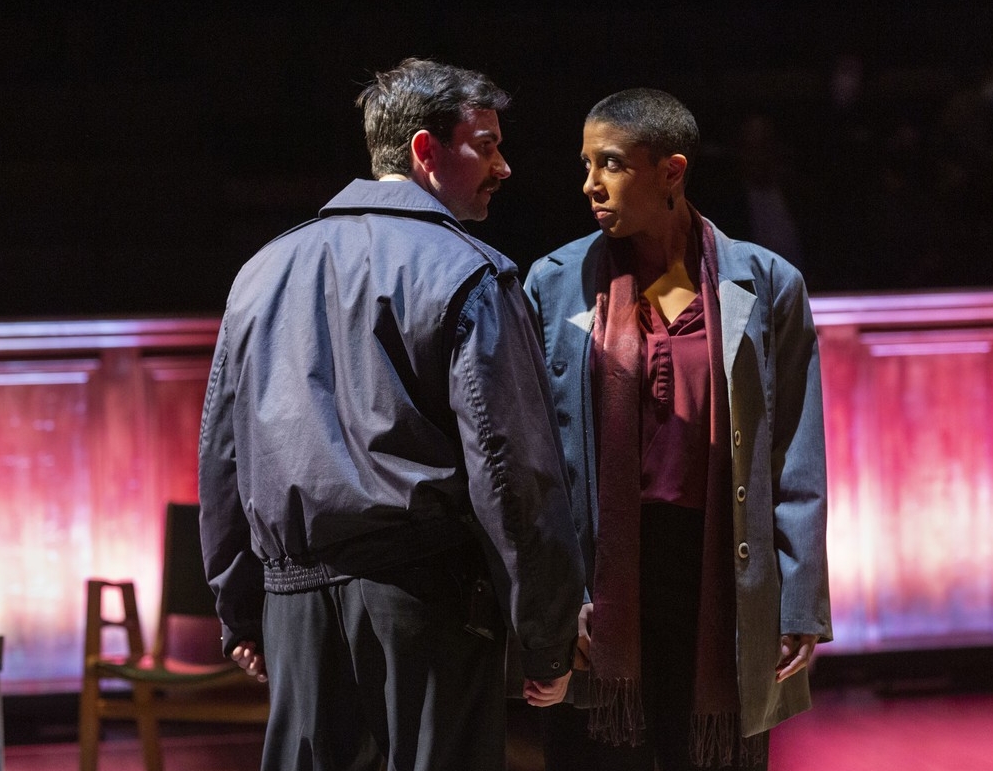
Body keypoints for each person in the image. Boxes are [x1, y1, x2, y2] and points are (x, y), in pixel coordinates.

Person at [198, 58, 585, 771]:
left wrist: (240, 608)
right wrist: (546, 634)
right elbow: (512, 473)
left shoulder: (259, 272)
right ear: (424, 151)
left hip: (292, 610)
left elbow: (224, 455)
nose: (503, 167)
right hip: (424, 605)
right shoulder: (470, 271)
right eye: (487, 143)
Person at [523, 88, 832, 771]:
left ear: (670, 171)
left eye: (609, 163)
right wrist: (554, 595)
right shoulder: (553, 282)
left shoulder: (768, 281)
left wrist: (799, 598)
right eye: (584, 164)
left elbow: (794, 451)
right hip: (606, 567)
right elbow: (533, 458)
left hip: (720, 565)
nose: (589, 184)